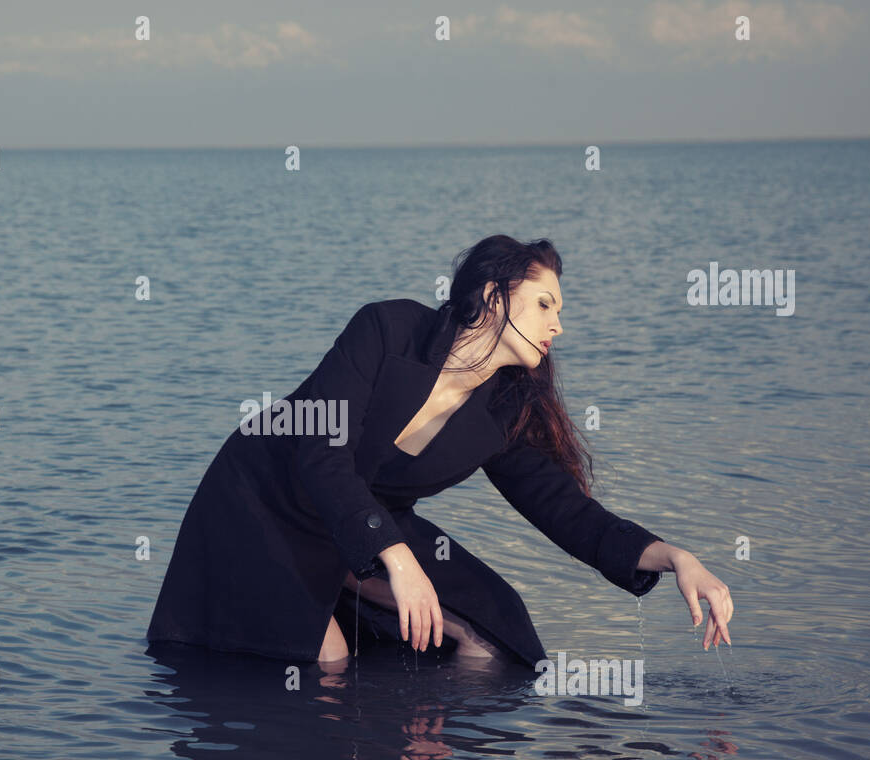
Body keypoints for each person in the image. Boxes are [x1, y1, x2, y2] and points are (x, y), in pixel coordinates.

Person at [147, 235, 733, 668]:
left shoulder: (507, 408)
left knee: (496, 637)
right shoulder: (386, 330)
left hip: (363, 527)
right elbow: (319, 456)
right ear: (493, 296)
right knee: (326, 660)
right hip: (263, 507)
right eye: (545, 305)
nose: (559, 325)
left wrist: (673, 556)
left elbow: (566, 512)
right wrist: (398, 559)